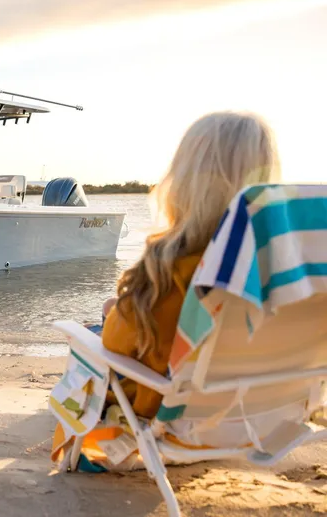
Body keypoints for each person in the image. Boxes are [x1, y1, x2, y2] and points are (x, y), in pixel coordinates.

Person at [51, 111, 280, 470]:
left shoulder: (178, 266)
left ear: (186, 180)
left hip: (167, 415)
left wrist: (117, 313)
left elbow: (117, 344)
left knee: (97, 332)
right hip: (252, 413)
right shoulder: (281, 266)